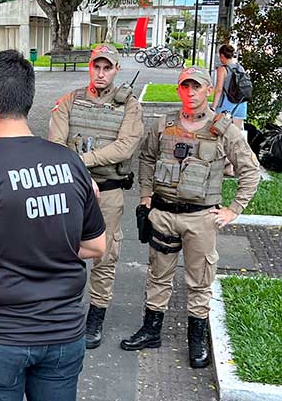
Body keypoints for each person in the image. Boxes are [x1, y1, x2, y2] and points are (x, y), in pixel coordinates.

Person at [0, 49, 107, 401]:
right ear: (28, 99)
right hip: (63, 333)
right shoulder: (70, 162)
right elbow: (96, 246)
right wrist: (48, 239)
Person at [122, 66, 260, 369]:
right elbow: (146, 158)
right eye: (185, 86)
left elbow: (250, 171)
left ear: (208, 90)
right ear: (178, 90)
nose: (190, 92)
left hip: (201, 218)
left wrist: (233, 209)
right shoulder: (164, 124)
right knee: (158, 276)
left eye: (196, 87)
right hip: (164, 214)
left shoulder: (223, 129)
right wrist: (146, 196)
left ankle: (196, 338)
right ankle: (151, 330)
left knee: (199, 281)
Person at [48, 43, 144, 350]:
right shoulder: (70, 101)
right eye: (96, 66)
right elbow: (56, 143)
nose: (101, 73)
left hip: (108, 193)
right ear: (90, 67)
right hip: (73, 191)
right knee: (63, 251)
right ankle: (62, 311)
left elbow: (125, 146)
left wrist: (82, 162)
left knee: (105, 255)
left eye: (107, 68)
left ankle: (96, 316)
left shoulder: (129, 105)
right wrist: (79, 171)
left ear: (116, 70)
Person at [212, 44, 247, 128]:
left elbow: (219, 90)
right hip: (241, 103)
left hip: (226, 103)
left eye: (220, 56)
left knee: (219, 131)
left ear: (222, 55)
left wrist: (213, 107)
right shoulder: (241, 68)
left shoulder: (222, 69)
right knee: (236, 133)